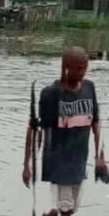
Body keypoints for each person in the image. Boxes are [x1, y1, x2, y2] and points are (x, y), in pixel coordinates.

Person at [22, 46, 104, 216]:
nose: (83, 72)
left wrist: (99, 157)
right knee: (61, 209)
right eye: (79, 68)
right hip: (57, 163)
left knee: (71, 209)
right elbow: (35, 129)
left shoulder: (89, 88)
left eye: (85, 67)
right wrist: (28, 165)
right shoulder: (51, 94)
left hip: (79, 163)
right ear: (67, 67)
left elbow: (96, 123)